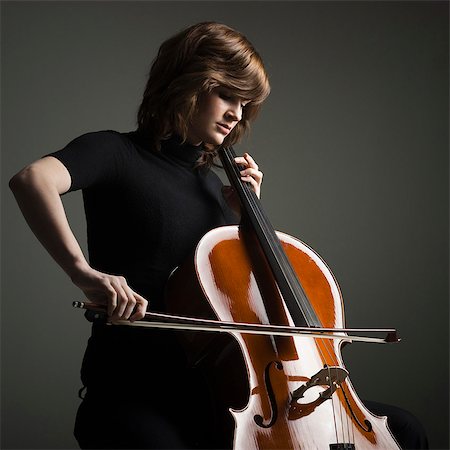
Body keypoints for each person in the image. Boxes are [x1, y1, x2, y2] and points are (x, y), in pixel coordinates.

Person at [10, 21, 427, 450]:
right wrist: (83, 272)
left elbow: (240, 299)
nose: (238, 114)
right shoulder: (114, 152)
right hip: (137, 391)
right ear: (185, 83)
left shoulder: (216, 187)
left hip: (225, 394)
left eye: (245, 104)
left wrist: (246, 217)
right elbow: (32, 179)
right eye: (227, 95)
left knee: (404, 430)